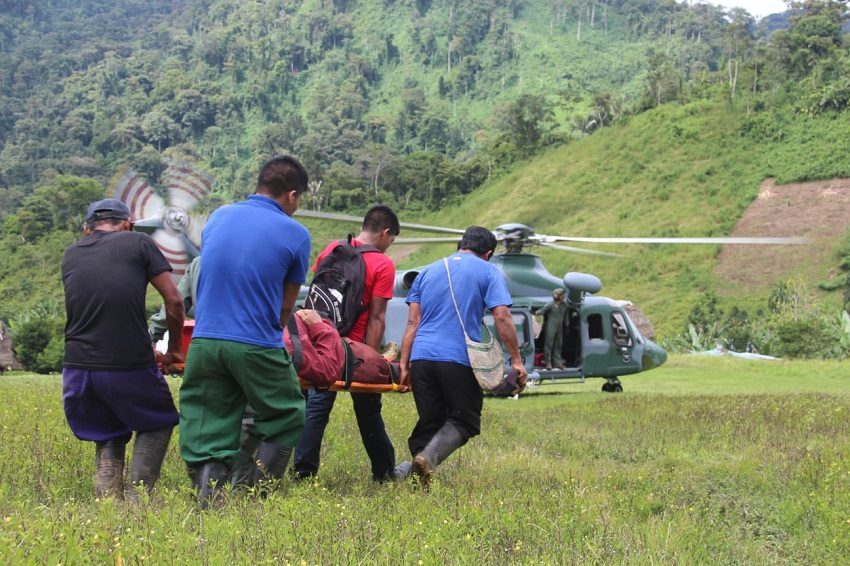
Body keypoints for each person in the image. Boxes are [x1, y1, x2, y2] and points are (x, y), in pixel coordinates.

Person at [178, 155, 310, 505]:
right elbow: (285, 306)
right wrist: (271, 338)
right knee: (286, 413)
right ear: (292, 195)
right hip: (255, 342)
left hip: (204, 342)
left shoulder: (218, 217)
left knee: (209, 424)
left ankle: (211, 503)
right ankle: (255, 498)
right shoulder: (296, 234)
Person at [61, 198, 185, 499]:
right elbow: (174, 300)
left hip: (76, 368)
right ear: (127, 225)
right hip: (125, 362)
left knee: (107, 429)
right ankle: (137, 500)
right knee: (158, 422)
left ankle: (108, 500)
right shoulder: (139, 242)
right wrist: (175, 350)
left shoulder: (71, 253)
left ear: (86, 230)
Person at [399, 226, 527, 486]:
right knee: (465, 419)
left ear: (461, 245)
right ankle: (427, 460)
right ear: (488, 254)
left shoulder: (427, 271)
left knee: (431, 420)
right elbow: (501, 316)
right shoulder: (489, 271)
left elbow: (412, 324)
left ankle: (413, 479)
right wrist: (516, 360)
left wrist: (403, 364)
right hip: (457, 358)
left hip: (421, 358)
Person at [293, 205, 403, 482]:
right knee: (368, 411)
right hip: (352, 351)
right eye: (392, 240)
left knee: (316, 407)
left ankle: (303, 473)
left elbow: (317, 296)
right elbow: (377, 317)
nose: (390, 246)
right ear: (386, 233)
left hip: (320, 342)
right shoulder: (383, 264)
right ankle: (384, 472)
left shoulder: (332, 249)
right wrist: (371, 357)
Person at [538, 287, 568, 370]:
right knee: (549, 344)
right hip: (551, 326)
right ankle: (548, 363)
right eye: (561, 295)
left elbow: (565, 316)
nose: (563, 297)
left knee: (558, 344)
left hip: (559, 327)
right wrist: (536, 313)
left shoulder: (564, 305)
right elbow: (541, 311)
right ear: (557, 296)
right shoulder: (551, 304)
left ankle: (557, 362)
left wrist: (567, 324)